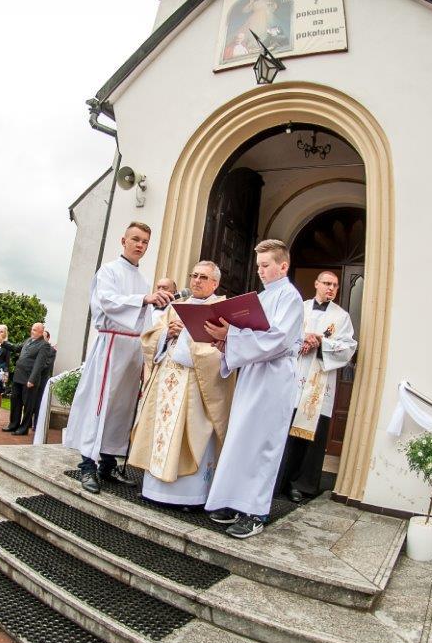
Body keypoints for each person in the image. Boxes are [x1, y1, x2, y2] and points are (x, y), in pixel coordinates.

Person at [202, 239, 303, 538]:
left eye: (265, 265)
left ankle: (255, 512)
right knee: (242, 439)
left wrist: (232, 336)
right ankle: (234, 502)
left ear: (283, 266)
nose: (260, 270)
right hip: (252, 374)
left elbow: (279, 340)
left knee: (263, 444)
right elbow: (248, 335)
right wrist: (226, 342)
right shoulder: (260, 297)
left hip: (274, 378)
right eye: (258, 265)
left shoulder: (290, 297)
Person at [63, 222, 173, 493]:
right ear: (123, 241)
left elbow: (146, 320)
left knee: (122, 409)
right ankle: (87, 465)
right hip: (111, 346)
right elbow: (107, 302)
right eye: (135, 239)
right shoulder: (109, 271)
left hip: (133, 349)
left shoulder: (143, 280)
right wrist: (144, 299)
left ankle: (108, 464)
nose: (140, 245)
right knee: (100, 405)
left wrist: (159, 338)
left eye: (145, 242)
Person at [129, 261, 235, 507]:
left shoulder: (221, 310)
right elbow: (150, 339)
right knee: (159, 431)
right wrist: (167, 333)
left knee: (192, 434)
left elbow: (223, 349)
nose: (196, 280)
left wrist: (185, 334)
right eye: (194, 275)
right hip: (166, 380)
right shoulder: (176, 306)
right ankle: (153, 491)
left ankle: (189, 496)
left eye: (203, 277)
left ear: (215, 283)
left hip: (196, 385)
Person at [276, 271, 357, 502]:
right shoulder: (298, 307)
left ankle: (299, 484)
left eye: (335, 285)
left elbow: (348, 348)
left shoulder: (341, 317)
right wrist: (302, 339)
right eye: (327, 283)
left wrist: (321, 342)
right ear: (316, 284)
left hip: (318, 385)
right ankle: (277, 480)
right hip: (293, 379)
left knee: (309, 438)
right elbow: (281, 335)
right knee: (284, 433)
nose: (331, 288)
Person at [3, 322, 53, 435]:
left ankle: (24, 428)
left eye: (35, 330)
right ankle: (13, 424)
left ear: (41, 332)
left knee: (28, 404)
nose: (32, 331)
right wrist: (3, 343)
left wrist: (32, 379)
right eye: (32, 329)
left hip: (29, 379)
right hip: (18, 376)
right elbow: (16, 348)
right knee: (15, 400)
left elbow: (39, 364)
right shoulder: (28, 340)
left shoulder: (44, 345)